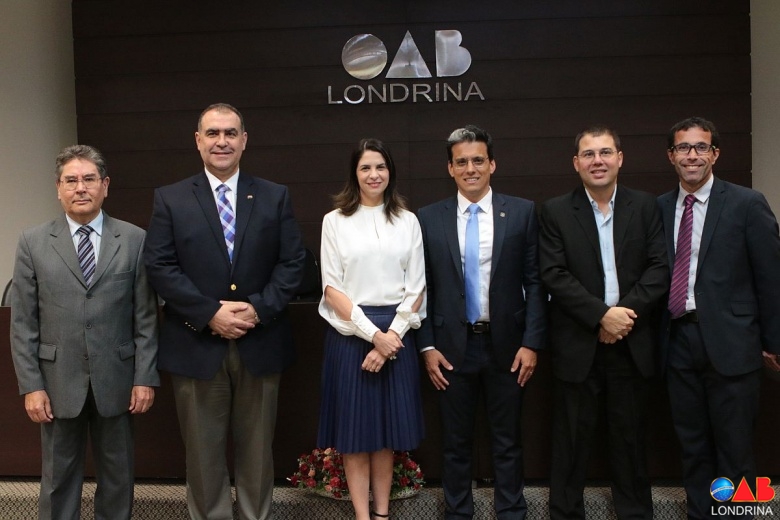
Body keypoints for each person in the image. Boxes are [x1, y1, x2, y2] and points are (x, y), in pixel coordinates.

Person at [143, 103, 306, 520]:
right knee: (202, 455)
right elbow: (160, 266)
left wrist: (257, 309)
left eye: (230, 133)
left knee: (258, 452)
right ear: (198, 141)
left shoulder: (274, 195)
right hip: (195, 344)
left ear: (244, 140)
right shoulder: (171, 198)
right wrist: (209, 313)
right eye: (213, 133)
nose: (222, 142)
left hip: (260, 342)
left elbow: (293, 263)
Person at [9, 145, 159, 520]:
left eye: (89, 179)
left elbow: (145, 317)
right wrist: (31, 386)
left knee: (118, 478)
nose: (80, 188)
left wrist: (144, 377)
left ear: (105, 185)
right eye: (71, 180)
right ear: (58, 188)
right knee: (57, 481)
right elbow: (23, 323)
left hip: (118, 379)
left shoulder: (134, 239)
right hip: (56, 381)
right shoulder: (33, 242)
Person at [538, 126, 668, 520]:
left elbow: (660, 268)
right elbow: (554, 274)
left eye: (606, 152)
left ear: (620, 158)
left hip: (632, 342)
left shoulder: (646, 206)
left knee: (630, 444)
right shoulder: (555, 211)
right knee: (570, 445)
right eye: (589, 154)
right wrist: (601, 316)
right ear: (576, 163)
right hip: (579, 343)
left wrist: (622, 316)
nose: (598, 161)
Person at [417, 125, 546, 519]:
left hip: (508, 346)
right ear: (450, 168)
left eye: (477, 160)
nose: (470, 168)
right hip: (450, 348)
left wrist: (532, 342)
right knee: (455, 443)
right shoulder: (428, 218)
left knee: (508, 441)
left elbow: (535, 282)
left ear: (492, 164)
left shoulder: (522, 212)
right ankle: (458, 514)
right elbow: (422, 287)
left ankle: (511, 512)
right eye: (461, 162)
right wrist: (427, 346)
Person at [658, 116, 780, 519]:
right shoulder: (658, 208)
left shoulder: (747, 203)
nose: (692, 155)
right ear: (671, 156)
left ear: (715, 154)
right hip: (677, 343)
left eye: (701, 147)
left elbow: (771, 277)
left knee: (735, 450)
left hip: (734, 344)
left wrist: (774, 343)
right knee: (692, 448)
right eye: (683, 148)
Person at [317, 138, 426, 520]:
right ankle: (362, 517)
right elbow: (332, 290)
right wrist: (374, 337)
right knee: (354, 437)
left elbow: (417, 288)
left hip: (397, 334)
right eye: (366, 167)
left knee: (385, 437)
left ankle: (382, 514)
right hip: (351, 336)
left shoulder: (408, 221)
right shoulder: (335, 221)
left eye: (380, 167)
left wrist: (389, 338)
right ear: (355, 173)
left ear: (390, 172)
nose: (374, 174)